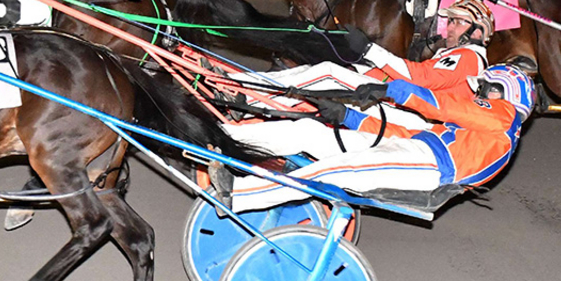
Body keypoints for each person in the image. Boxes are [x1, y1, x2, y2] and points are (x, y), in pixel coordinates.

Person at [227, 63, 535, 212]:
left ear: (507, 93)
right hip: (416, 151)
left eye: (487, 88)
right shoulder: (481, 131)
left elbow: (443, 106)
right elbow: (409, 134)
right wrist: (351, 118)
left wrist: (393, 90)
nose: (480, 93)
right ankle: (225, 138)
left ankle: (239, 194)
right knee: (307, 131)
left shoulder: (503, 116)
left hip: (429, 168)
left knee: (332, 171)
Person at [221, 0, 495, 158]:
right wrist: (361, 67)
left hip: (419, 122)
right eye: (451, 20)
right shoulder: (460, 58)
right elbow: (409, 77)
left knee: (327, 73)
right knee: (325, 74)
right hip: (412, 114)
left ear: (478, 32)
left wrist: (369, 49)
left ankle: (241, 89)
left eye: (458, 22)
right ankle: (244, 93)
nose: (449, 27)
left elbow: (419, 78)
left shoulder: (469, 57)